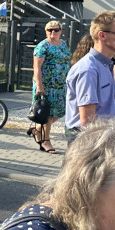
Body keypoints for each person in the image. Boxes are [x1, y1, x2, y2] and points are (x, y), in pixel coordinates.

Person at [65, 11, 115, 143]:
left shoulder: (106, 64)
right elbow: (88, 123)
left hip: (101, 137)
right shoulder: (88, 69)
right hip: (89, 142)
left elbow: (100, 111)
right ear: (102, 35)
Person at [30, 20, 71, 154]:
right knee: (47, 113)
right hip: (46, 85)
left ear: (61, 31)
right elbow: (37, 67)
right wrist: (40, 86)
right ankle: (45, 140)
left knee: (59, 112)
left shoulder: (63, 44)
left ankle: (37, 130)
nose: (53, 32)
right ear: (46, 31)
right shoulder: (42, 46)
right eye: (49, 30)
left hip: (60, 85)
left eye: (56, 30)